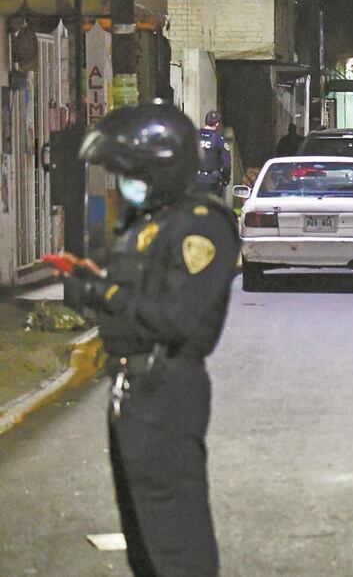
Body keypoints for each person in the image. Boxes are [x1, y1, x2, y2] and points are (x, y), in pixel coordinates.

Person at [58, 100, 239, 576]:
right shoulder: (148, 224)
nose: (120, 183)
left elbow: (177, 318)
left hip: (166, 390)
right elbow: (129, 298)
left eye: (127, 172)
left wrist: (106, 292)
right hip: (131, 393)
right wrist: (90, 289)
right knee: (143, 540)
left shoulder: (202, 223)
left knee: (175, 541)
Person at [194, 110, 231, 196]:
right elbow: (226, 165)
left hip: (195, 181)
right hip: (212, 183)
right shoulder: (219, 140)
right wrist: (225, 180)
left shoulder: (194, 136)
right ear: (217, 124)